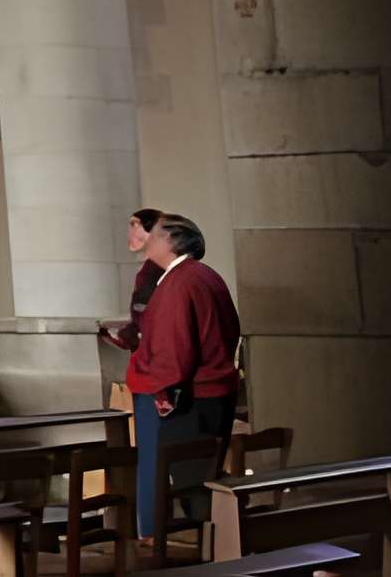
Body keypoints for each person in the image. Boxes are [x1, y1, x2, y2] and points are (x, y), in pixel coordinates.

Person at [125, 214, 242, 548]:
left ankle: (216, 555)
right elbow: (229, 329)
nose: (148, 242)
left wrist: (157, 386)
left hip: (192, 397)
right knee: (204, 478)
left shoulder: (179, 283)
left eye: (155, 236)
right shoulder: (205, 276)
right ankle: (216, 551)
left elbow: (173, 350)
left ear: (172, 241)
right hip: (217, 390)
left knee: (194, 486)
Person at [96, 207, 165, 353]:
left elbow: (144, 306)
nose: (130, 233)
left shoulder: (155, 267)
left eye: (134, 225)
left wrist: (127, 335)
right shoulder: (153, 265)